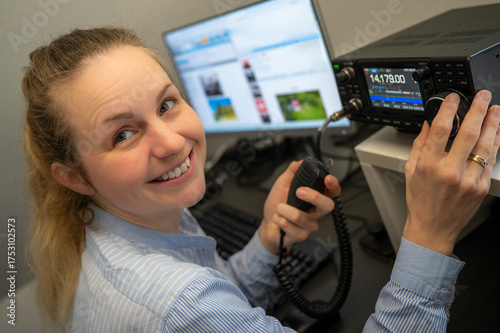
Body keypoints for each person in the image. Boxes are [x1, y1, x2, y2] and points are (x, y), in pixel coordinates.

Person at [22, 27, 500, 333]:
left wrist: (269, 239)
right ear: (74, 177)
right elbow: (198, 308)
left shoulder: (117, 222)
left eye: (166, 104)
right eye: (123, 134)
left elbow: (217, 291)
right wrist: (431, 235)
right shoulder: (178, 304)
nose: (171, 142)